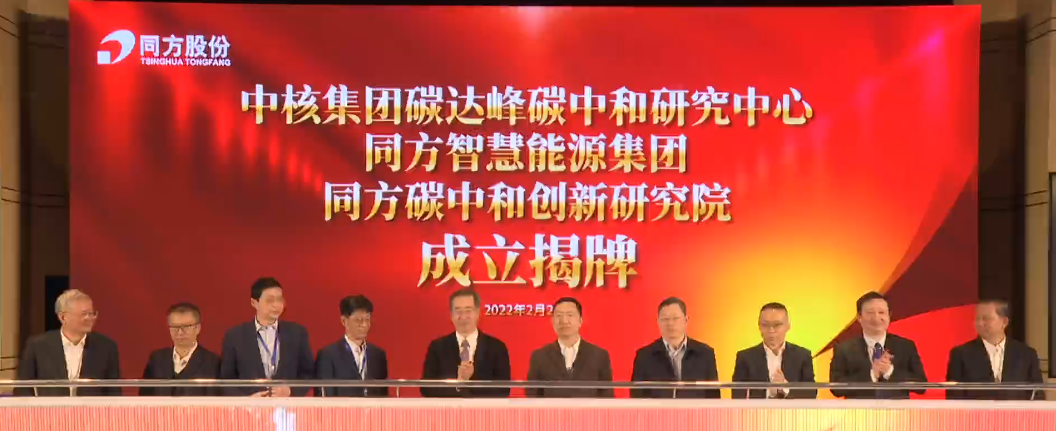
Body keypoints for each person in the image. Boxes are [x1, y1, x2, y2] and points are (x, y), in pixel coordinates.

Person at [219, 277, 314, 397]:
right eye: (270, 300)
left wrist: (291, 391)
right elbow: (226, 380)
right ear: (254, 303)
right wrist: (247, 399)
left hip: (287, 405)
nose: (276, 305)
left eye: (279, 300)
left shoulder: (297, 333)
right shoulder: (234, 336)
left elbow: (308, 373)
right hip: (250, 406)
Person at [16, 289, 121, 396]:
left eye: (92, 313)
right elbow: (23, 388)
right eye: (84, 314)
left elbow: (114, 392)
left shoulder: (106, 347)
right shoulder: (38, 346)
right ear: (63, 317)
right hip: (51, 407)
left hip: (90, 407)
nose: (89, 318)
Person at [830, 291, 926, 399]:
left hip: (897, 409)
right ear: (859, 317)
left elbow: (922, 386)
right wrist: (872, 374)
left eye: (881, 312)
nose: (876, 317)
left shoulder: (905, 346)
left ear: (889, 316)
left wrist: (890, 371)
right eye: (870, 312)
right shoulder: (844, 349)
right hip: (859, 409)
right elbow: (836, 388)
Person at [946, 300, 1045, 400]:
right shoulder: (961, 354)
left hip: (1016, 410)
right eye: (977, 319)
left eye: (986, 319)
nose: (980, 323)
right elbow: (954, 396)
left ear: (1004, 322)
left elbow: (1037, 394)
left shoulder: (1026, 354)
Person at [421, 288, 511, 397]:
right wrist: (458, 384)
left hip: (484, 408)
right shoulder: (437, 347)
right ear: (451, 315)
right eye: (458, 311)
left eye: (468, 310)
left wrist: (470, 382)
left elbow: (503, 389)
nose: (463, 316)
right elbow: (426, 388)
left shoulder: (496, 347)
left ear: (478, 313)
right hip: (448, 408)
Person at [630, 297, 720, 398]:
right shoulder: (644, 356)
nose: (670, 323)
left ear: (686, 320)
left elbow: (714, 397)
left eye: (675, 318)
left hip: (695, 408)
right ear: (658, 322)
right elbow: (637, 397)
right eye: (665, 319)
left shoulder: (705, 353)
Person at [526, 297, 613, 398]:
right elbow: (532, 395)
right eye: (559, 315)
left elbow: (607, 396)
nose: (564, 321)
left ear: (580, 321)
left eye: (570, 315)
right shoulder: (539, 356)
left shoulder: (599, 355)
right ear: (552, 321)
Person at [731, 302, 816, 399]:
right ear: (759, 326)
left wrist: (785, 387)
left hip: (792, 409)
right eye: (765, 325)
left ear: (788, 326)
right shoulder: (745, 358)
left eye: (777, 325)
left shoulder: (803, 356)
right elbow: (737, 396)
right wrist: (768, 391)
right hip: (757, 409)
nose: (771, 330)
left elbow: (811, 393)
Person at [315, 295, 389, 397]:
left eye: (367, 319)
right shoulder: (328, 355)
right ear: (344, 321)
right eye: (359, 320)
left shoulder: (378, 355)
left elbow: (383, 395)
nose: (364, 325)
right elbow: (324, 395)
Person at [141, 303, 221, 396]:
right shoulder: (157, 359)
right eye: (175, 327)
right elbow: (144, 396)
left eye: (186, 327)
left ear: (198, 328)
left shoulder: (213, 363)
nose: (180, 332)